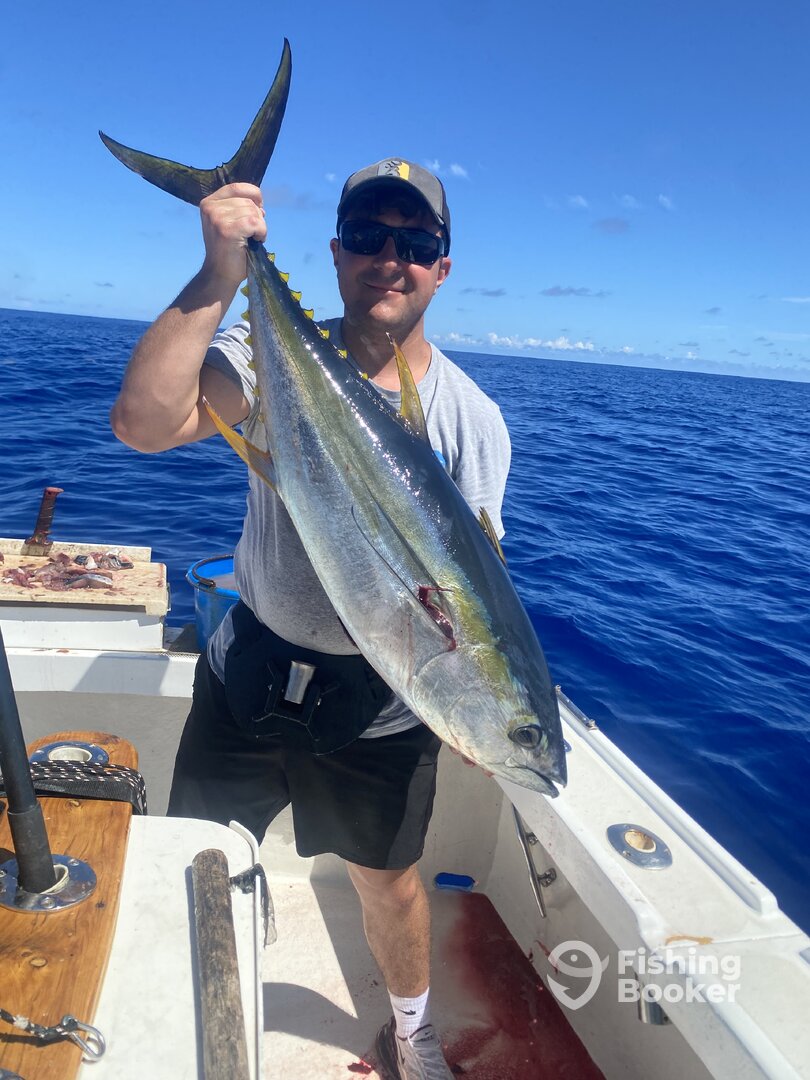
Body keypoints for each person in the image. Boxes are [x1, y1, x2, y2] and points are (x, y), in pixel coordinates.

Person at [111, 157, 511, 1080]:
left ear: (443, 267)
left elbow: (475, 592)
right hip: (247, 671)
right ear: (336, 253)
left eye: (415, 242)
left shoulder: (473, 421)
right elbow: (142, 423)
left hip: (385, 704)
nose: (390, 258)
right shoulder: (265, 355)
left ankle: (411, 1031)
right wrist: (223, 269)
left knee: (390, 885)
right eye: (368, 236)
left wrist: (478, 707)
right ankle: (191, 984)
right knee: (200, 857)